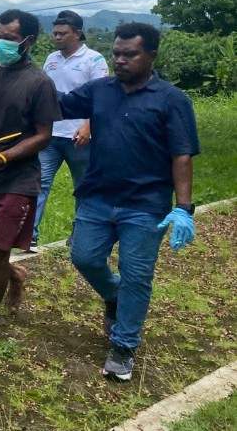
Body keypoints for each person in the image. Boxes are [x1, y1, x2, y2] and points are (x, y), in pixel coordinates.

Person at [60, 23, 199, 382]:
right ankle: (113, 295)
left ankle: (123, 345)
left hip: (145, 204)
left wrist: (183, 208)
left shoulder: (171, 100)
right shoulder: (100, 90)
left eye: (129, 54)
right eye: (116, 53)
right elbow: (57, 105)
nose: (120, 60)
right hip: (98, 195)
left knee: (138, 276)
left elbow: (182, 155)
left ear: (151, 55)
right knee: (84, 256)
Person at [0, 9, 61, 353]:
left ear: (28, 42)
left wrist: (2, 156)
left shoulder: (39, 84)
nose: (1, 43)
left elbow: (44, 135)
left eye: (9, 38)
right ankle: (13, 276)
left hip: (18, 180)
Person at [32, 11, 109, 248]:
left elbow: (102, 97)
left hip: (80, 137)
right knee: (38, 183)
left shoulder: (94, 60)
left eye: (62, 33)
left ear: (77, 33)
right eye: (54, 32)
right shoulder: (52, 58)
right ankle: (29, 236)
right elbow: (45, 94)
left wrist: (89, 125)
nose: (56, 37)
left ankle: (80, 236)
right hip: (51, 135)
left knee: (83, 187)